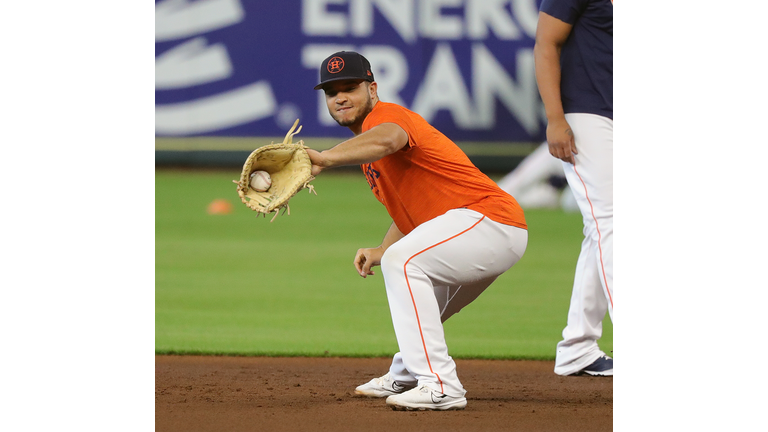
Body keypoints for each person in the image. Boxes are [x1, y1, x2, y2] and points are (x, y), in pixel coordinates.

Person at [306, 51, 528, 411]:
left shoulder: (387, 116)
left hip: (488, 221)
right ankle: (406, 371)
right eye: (333, 93)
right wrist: (381, 248)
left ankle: (441, 386)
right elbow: (412, 211)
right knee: (421, 298)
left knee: (404, 263)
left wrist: (327, 157)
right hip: (476, 230)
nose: (341, 97)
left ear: (373, 89)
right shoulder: (368, 148)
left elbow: (389, 138)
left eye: (351, 87)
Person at [534, 0, 614, 376]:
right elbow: (546, 43)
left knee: (599, 229)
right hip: (587, 113)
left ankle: (578, 346)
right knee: (613, 222)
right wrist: (555, 117)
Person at [496, 141, 579, 212]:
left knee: (568, 203)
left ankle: (546, 197)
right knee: (551, 149)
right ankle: (498, 194)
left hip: (589, 174)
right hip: (578, 154)